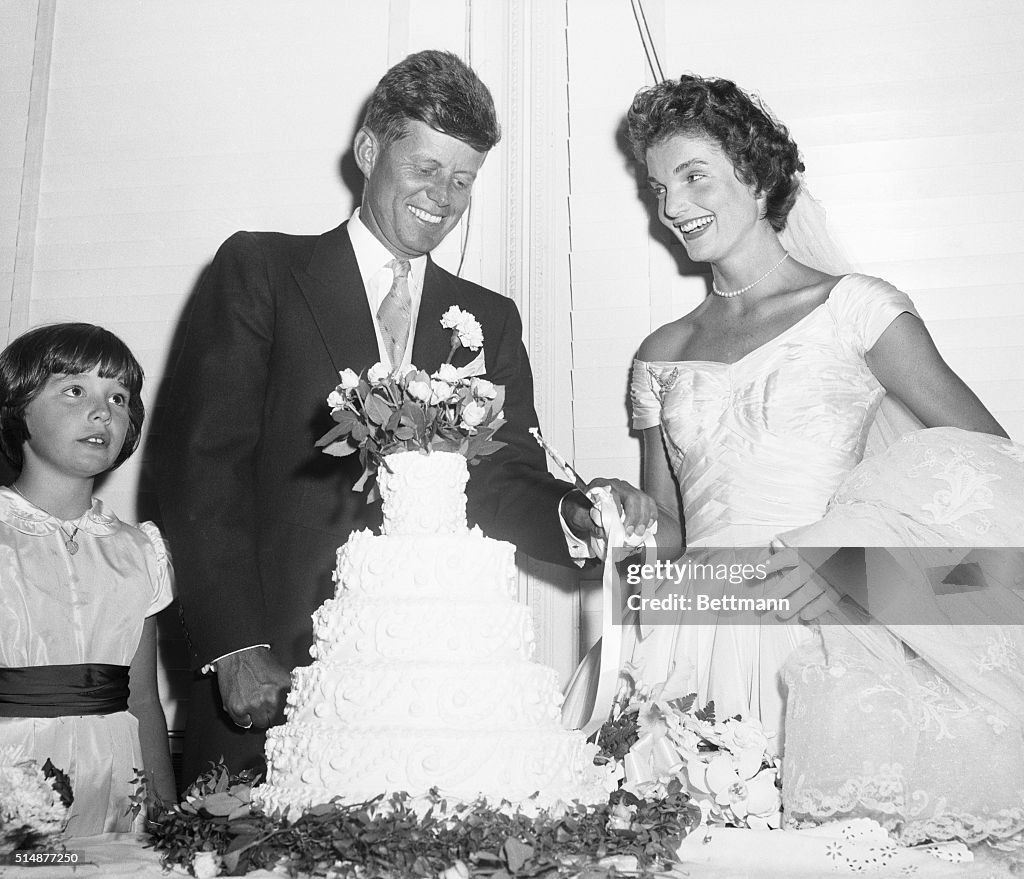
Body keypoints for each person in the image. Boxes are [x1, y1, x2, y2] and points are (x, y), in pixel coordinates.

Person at [157, 49, 655, 785]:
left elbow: (503, 477)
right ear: (368, 151)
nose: (444, 197)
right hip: (272, 675)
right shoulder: (261, 270)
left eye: (463, 180)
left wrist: (575, 514)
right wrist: (232, 643)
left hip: (432, 702)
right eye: (425, 168)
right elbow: (203, 466)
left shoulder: (490, 318)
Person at [566, 73, 1023, 855]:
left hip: (821, 651)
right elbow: (668, 536)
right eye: (657, 187)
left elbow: (992, 486)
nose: (672, 208)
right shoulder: (660, 354)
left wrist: (853, 565)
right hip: (684, 644)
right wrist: (609, 510)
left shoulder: (860, 311)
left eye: (693, 176)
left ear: (758, 174)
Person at [0, 323, 176, 836]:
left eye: (119, 398)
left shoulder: (139, 551)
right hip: (15, 779)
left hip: (117, 785)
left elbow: (142, 698)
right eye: (74, 390)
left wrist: (163, 815)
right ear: (18, 407)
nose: (104, 411)